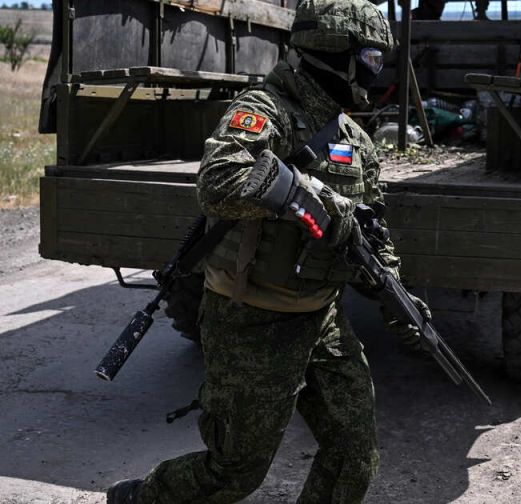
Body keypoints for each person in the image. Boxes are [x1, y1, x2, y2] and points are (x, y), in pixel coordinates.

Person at [106, 0, 429, 502]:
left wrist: (393, 294)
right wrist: (317, 199)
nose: (376, 69)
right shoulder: (264, 110)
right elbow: (218, 183)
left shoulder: (356, 139)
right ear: (333, 52)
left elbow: (372, 229)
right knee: (234, 472)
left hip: (321, 318)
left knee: (354, 452)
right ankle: (140, 497)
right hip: (251, 319)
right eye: (369, 57)